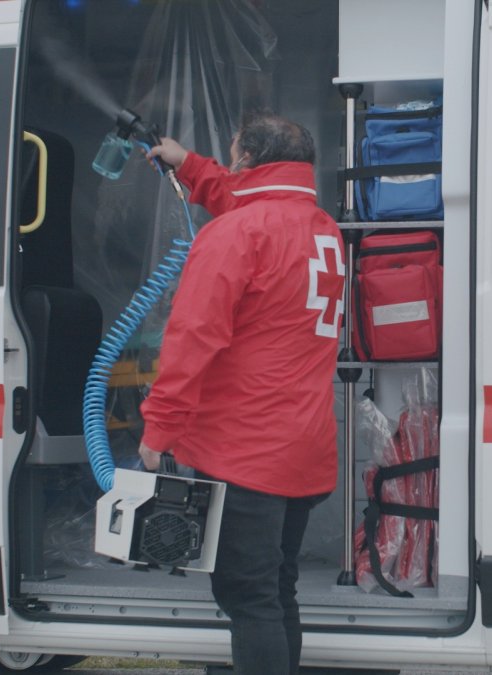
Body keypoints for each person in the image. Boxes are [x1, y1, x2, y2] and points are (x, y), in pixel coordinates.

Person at [137, 111, 344, 675]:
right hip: (303, 448)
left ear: (248, 160)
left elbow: (191, 340)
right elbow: (252, 204)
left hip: (244, 453)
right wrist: (189, 166)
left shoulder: (234, 234)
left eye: (233, 155)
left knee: (248, 600)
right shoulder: (322, 228)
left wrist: (159, 428)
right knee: (276, 591)